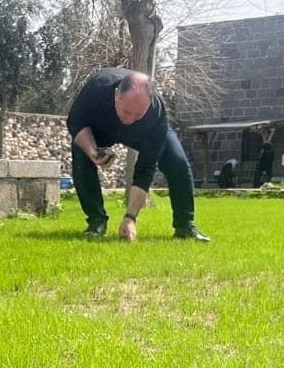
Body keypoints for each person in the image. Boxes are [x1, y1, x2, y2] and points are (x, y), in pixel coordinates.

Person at [66, 68, 211, 242]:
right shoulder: (97, 88)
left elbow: (145, 169)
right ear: (116, 95)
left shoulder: (156, 112)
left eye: (138, 114)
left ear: (149, 104)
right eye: (127, 111)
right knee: (81, 155)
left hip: (143, 133)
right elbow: (75, 123)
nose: (130, 119)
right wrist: (92, 152)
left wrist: (130, 217)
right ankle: (96, 222)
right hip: (100, 129)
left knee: (177, 163)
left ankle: (185, 226)